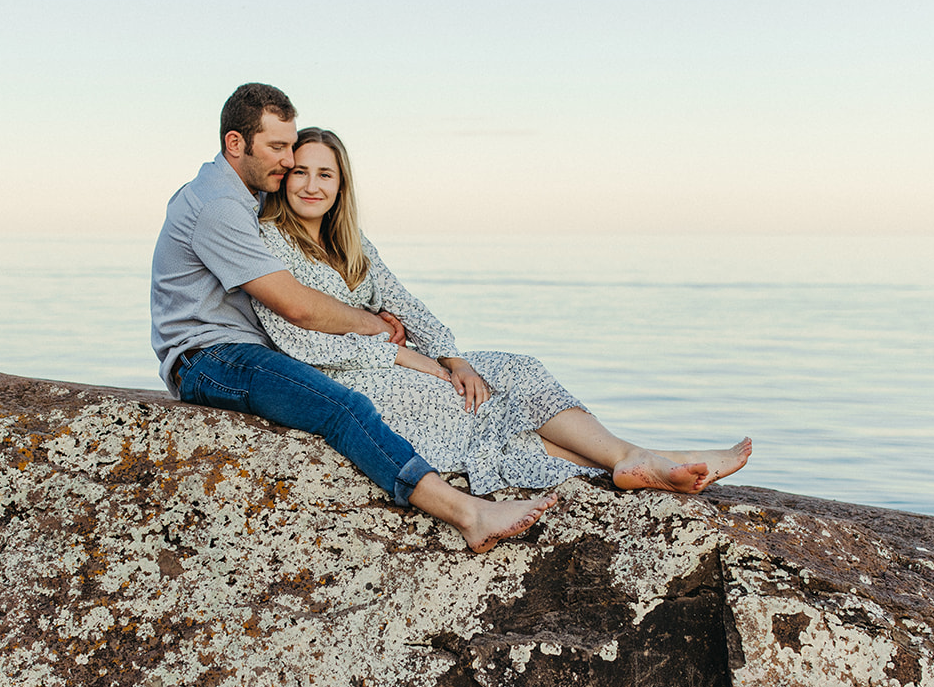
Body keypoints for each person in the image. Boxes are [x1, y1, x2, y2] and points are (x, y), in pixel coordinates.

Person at [151, 84, 556, 552]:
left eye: (291, 147)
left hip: (239, 353)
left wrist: (401, 330)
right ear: (236, 144)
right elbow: (295, 304)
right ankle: (469, 513)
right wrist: (373, 324)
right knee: (341, 408)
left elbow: (321, 274)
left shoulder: (246, 196)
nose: (287, 163)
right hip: (210, 360)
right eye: (278, 148)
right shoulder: (219, 206)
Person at [252, 127, 753, 495]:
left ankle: (632, 458)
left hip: (398, 360)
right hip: (344, 381)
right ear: (284, 178)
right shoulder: (269, 240)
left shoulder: (352, 244)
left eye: (326, 174)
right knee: (474, 406)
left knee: (513, 369)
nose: (312, 185)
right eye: (300, 172)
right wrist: (410, 360)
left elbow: (408, 306)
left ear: (342, 184)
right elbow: (300, 338)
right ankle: (646, 460)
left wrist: (452, 358)